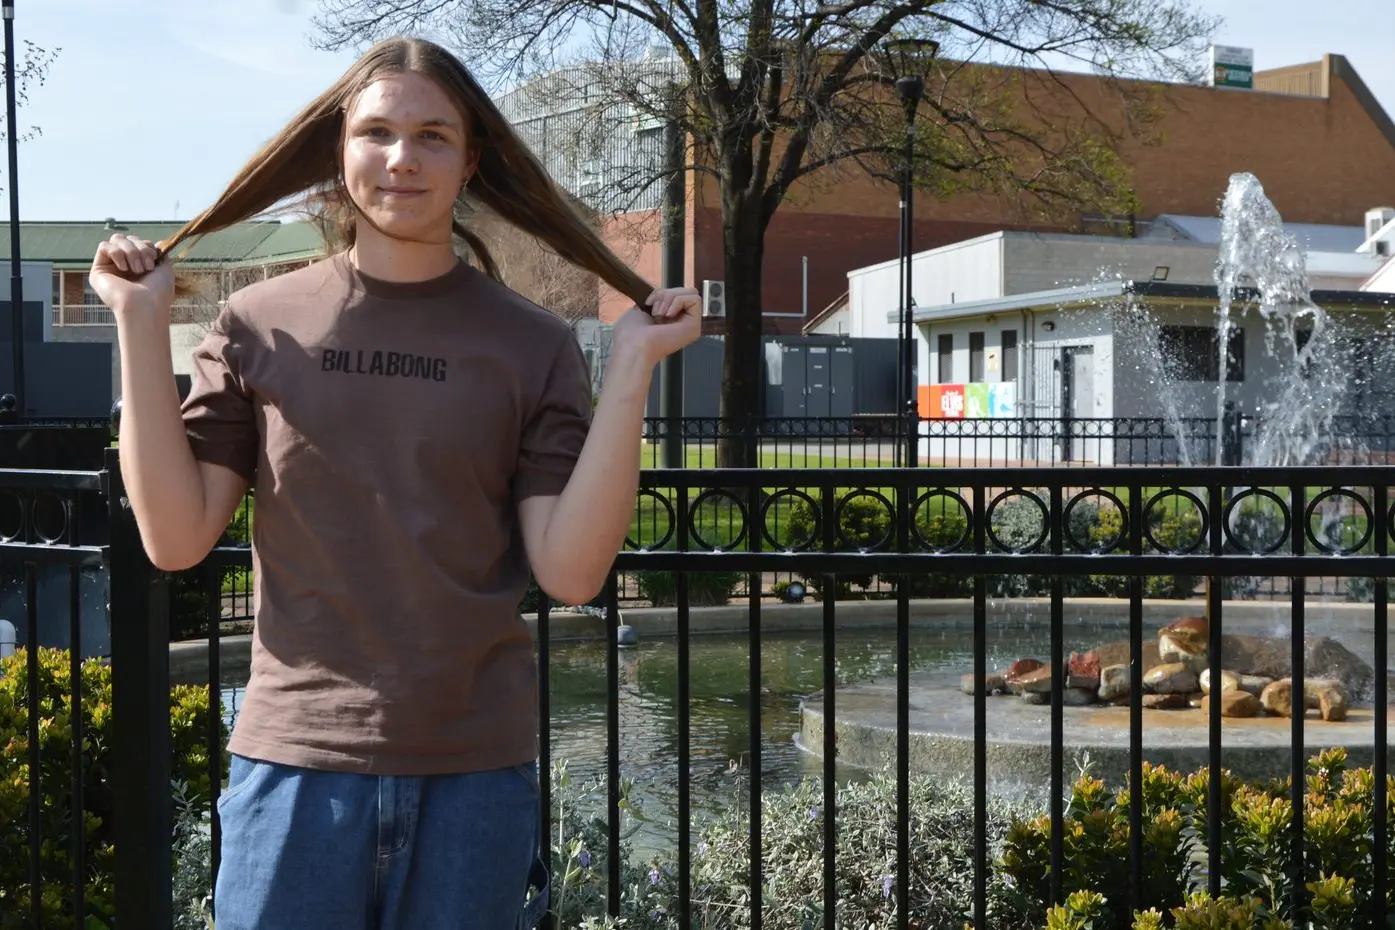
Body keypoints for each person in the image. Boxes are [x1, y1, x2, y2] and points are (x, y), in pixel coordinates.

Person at [88, 36, 700, 930]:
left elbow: (571, 574)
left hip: (476, 780)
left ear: (471, 160)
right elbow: (175, 539)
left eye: (432, 136)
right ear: (338, 153)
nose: (402, 158)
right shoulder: (257, 322)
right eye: (376, 132)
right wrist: (140, 327)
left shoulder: (532, 344)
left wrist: (636, 367)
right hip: (293, 768)